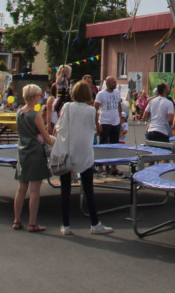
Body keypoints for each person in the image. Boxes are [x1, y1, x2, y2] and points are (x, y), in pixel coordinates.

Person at [53, 80, 114, 236]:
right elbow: (95, 127)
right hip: (84, 153)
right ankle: (95, 223)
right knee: (89, 190)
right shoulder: (91, 111)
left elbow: (59, 127)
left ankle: (65, 225)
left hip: (68, 151)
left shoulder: (67, 107)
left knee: (65, 190)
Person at [12, 84, 54, 232]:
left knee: (22, 187)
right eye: (39, 95)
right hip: (35, 152)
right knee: (35, 189)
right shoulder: (35, 114)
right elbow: (45, 135)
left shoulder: (19, 112)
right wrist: (55, 144)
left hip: (22, 151)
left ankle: (17, 220)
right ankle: (32, 222)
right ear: (34, 96)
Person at [95, 76, 125, 175]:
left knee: (114, 145)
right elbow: (95, 109)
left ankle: (113, 166)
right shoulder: (101, 94)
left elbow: (119, 106)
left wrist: (120, 118)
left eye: (115, 82)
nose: (115, 84)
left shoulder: (117, 92)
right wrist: (97, 123)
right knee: (103, 144)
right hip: (105, 121)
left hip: (115, 122)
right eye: (112, 82)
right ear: (107, 83)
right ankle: (100, 166)